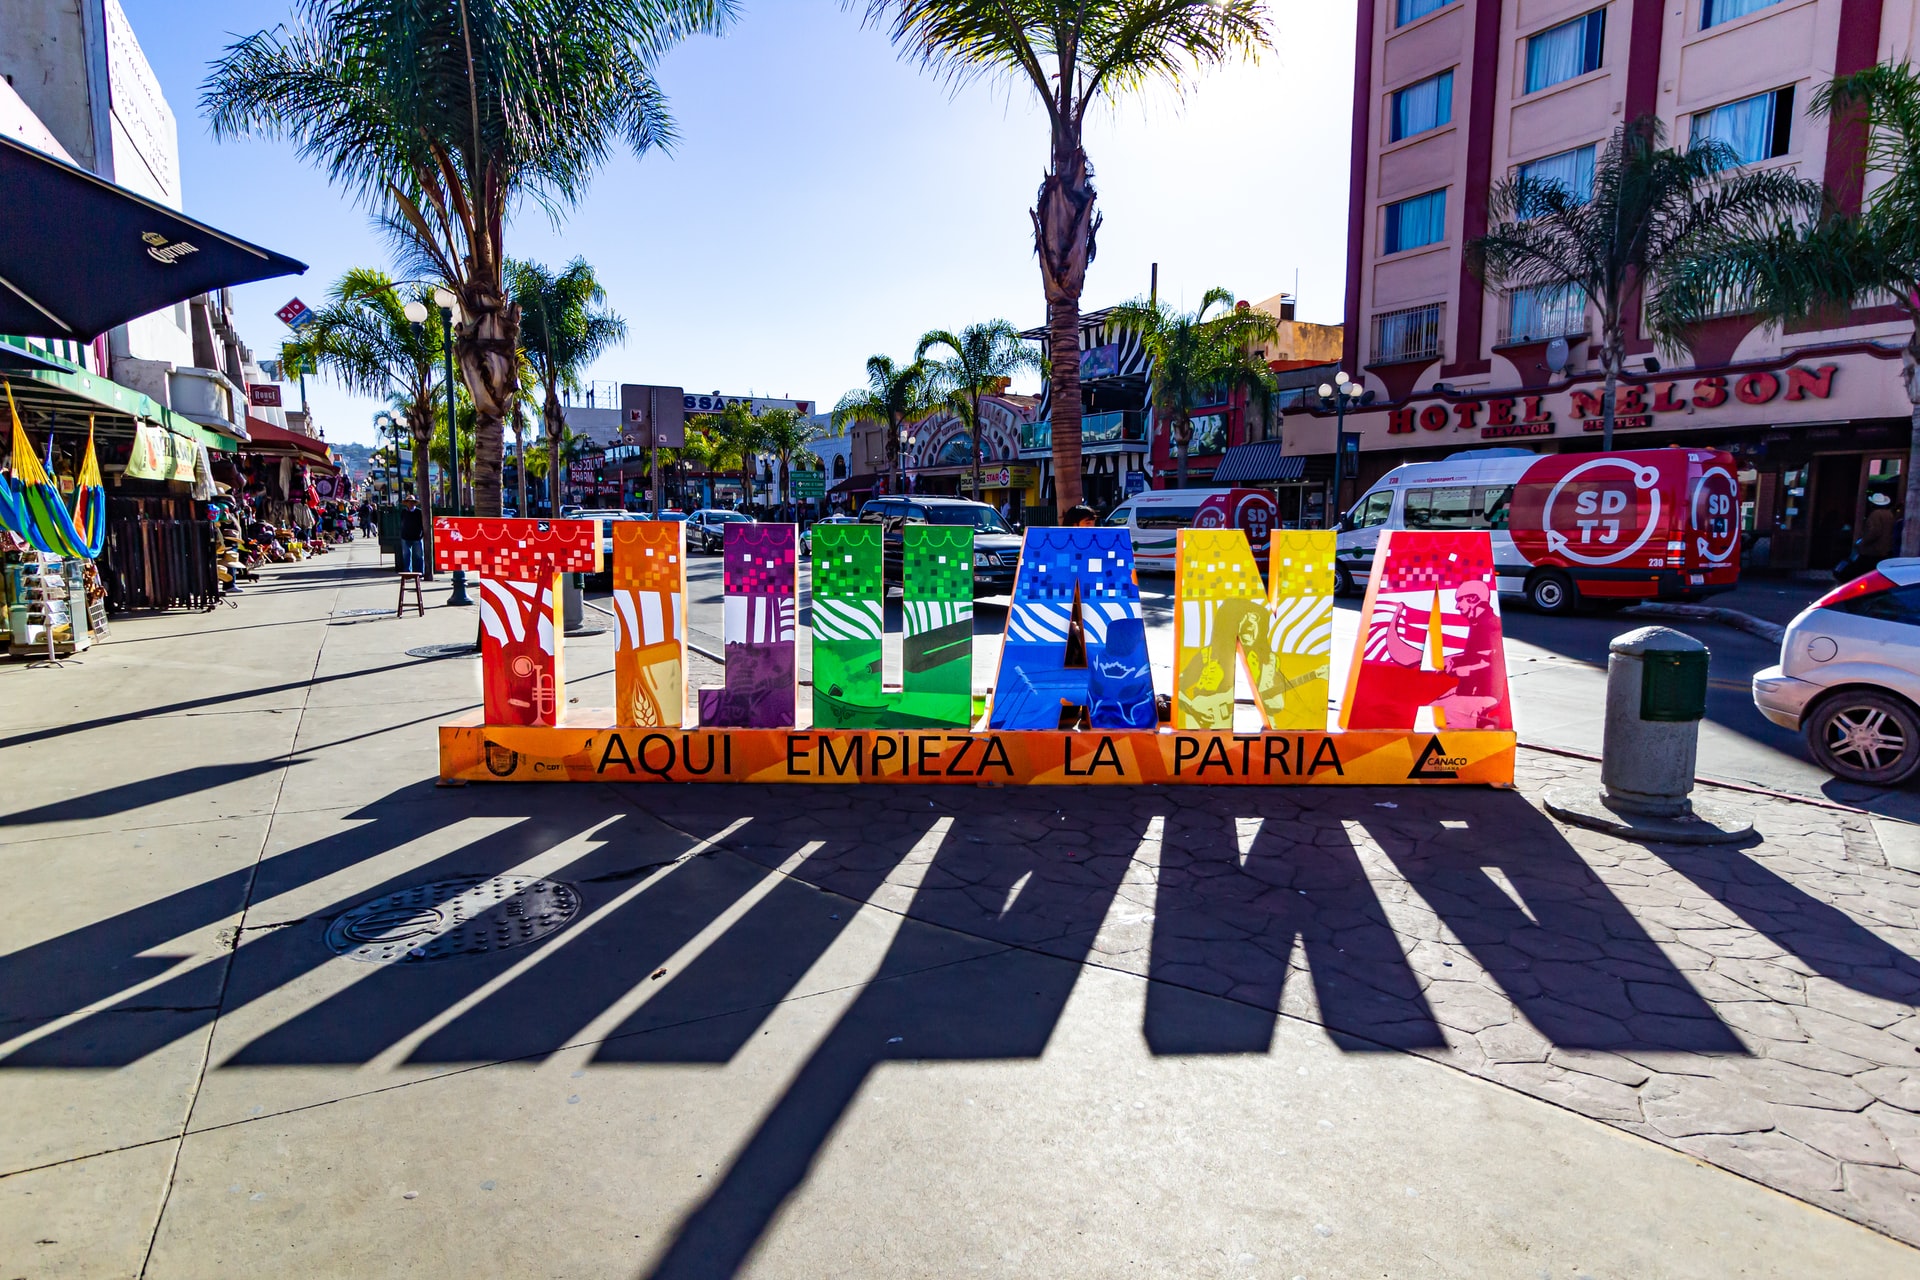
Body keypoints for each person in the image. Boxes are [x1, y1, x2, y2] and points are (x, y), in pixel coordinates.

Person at [399, 495, 426, 574]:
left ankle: (420, 572)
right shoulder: (404, 512)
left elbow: (422, 524)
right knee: (406, 556)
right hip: (405, 536)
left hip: (417, 537)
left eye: (412, 502)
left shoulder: (419, 512)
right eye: (408, 502)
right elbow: (402, 522)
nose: (410, 504)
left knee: (419, 556)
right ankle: (407, 572)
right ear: (406, 503)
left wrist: (421, 534)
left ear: (414, 503)